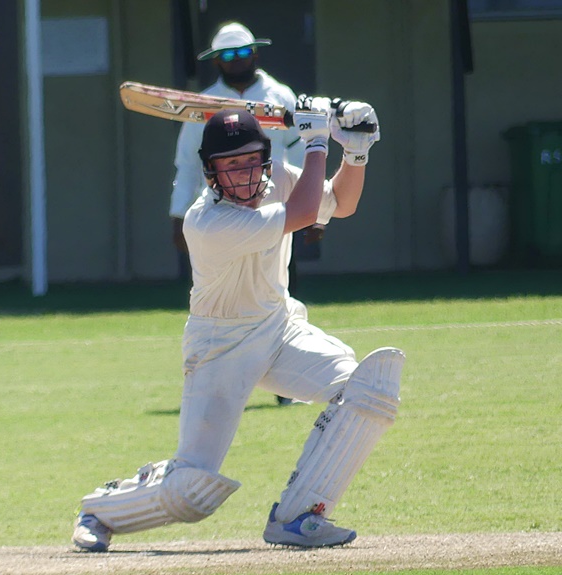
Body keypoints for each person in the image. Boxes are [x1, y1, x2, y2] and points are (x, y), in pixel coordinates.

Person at [73, 101, 402, 552]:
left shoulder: (281, 178)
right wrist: (318, 140)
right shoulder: (206, 222)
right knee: (192, 490)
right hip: (220, 346)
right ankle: (100, 510)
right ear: (210, 172)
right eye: (231, 165)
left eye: (251, 161)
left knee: (367, 391)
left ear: (264, 160)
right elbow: (304, 213)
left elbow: (340, 204)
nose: (244, 174)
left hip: (280, 327)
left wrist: (357, 150)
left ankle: (299, 516)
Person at [170, 21, 315, 405]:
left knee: (280, 285)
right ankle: (220, 373)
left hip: (276, 204)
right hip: (222, 216)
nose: (235, 62)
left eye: (241, 53)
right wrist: (176, 213)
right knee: (220, 295)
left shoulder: (280, 95)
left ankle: (286, 378)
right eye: (226, 56)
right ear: (215, 62)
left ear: (255, 53)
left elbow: (300, 151)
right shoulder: (203, 105)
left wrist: (310, 209)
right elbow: (187, 164)